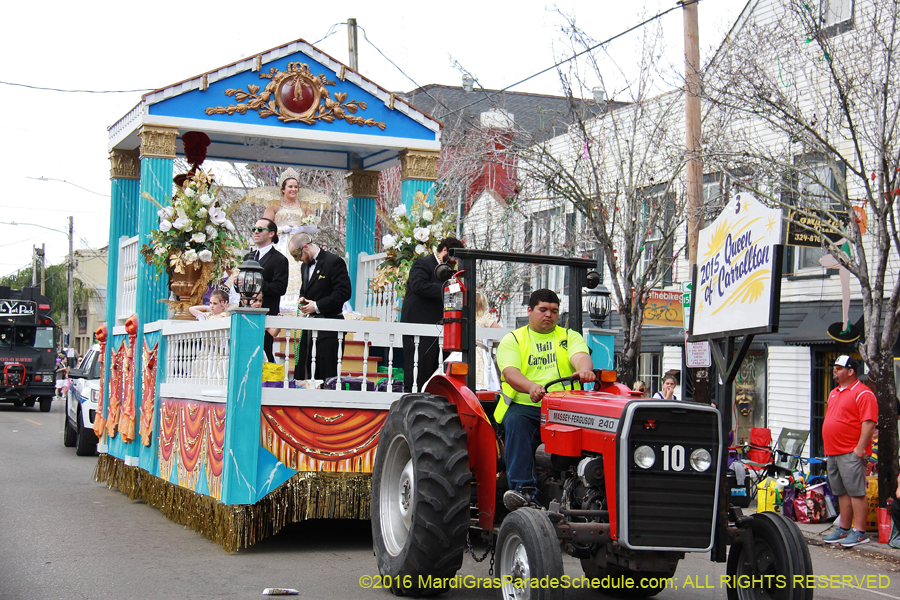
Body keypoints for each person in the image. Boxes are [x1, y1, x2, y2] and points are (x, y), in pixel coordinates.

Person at [495, 288, 597, 510]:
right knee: (516, 423)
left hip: (564, 408)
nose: (548, 315)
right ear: (530, 310)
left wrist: (584, 370)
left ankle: (589, 485)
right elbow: (510, 373)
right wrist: (530, 387)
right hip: (527, 407)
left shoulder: (569, 336)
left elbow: (580, 357)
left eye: (554, 311)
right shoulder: (513, 339)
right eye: (543, 310)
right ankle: (524, 492)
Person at [822, 355, 878, 548]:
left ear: (850, 371)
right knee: (841, 491)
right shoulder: (834, 392)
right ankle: (844, 528)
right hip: (834, 450)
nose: (834, 371)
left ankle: (860, 531)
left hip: (850, 450)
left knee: (856, 491)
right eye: (834, 368)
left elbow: (869, 422)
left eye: (838, 368)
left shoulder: (863, 393)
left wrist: (860, 448)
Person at [400, 237, 465, 393]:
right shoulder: (423, 263)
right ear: (444, 251)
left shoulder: (450, 270)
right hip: (418, 324)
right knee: (418, 367)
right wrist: (447, 288)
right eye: (454, 257)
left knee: (434, 368)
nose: (455, 262)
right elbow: (418, 285)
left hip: (438, 328)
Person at [288, 232, 352, 381]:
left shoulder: (334, 262)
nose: (298, 260)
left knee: (326, 374)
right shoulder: (304, 267)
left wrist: (317, 306)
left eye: (297, 255)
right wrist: (302, 299)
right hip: (309, 327)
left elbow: (344, 292)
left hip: (329, 328)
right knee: (303, 372)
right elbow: (305, 289)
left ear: (305, 247)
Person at [263, 168, 327, 314]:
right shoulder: (274, 205)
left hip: (299, 242)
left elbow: (312, 227)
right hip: (281, 242)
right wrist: (281, 228)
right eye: (290, 187)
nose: (293, 189)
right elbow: (265, 226)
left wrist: (299, 228)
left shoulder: (304, 205)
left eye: (296, 187)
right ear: (283, 189)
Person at [246, 218, 289, 362]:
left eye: (260, 229)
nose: (256, 232)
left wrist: (256, 282)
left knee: (263, 353)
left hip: (265, 313)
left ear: (271, 233)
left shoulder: (279, 259)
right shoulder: (249, 256)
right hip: (246, 312)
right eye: (254, 229)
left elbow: (280, 288)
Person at [474, 292, 503, 391]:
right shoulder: (485, 317)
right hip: (479, 351)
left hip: (462, 352)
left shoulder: (465, 316)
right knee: (484, 380)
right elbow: (500, 333)